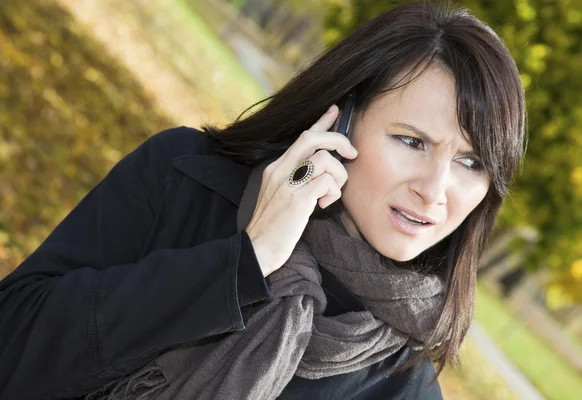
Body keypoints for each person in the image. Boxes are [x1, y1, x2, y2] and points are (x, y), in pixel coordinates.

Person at [0, 1, 526, 399]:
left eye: (471, 162)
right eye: (412, 142)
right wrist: (244, 263)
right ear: (340, 122)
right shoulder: (182, 177)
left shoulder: (400, 378)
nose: (434, 189)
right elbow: (13, 341)